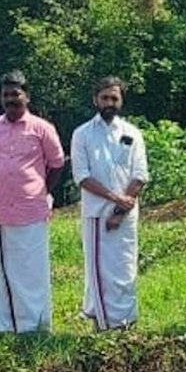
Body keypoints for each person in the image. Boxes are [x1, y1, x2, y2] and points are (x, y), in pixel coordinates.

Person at [0, 69, 65, 333]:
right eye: (6, 94)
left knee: (33, 271)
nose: (10, 99)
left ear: (27, 96)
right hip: (3, 212)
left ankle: (36, 327)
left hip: (33, 211)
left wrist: (42, 192)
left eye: (15, 94)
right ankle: (4, 327)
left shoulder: (42, 128)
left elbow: (58, 164)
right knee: (2, 273)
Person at [71, 76, 149, 331]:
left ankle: (125, 324)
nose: (109, 102)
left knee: (125, 270)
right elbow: (82, 177)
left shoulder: (132, 133)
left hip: (125, 216)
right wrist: (115, 199)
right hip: (96, 215)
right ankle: (104, 327)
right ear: (95, 99)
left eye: (114, 98)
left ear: (121, 101)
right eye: (104, 97)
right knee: (100, 272)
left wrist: (120, 210)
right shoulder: (82, 134)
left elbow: (139, 175)